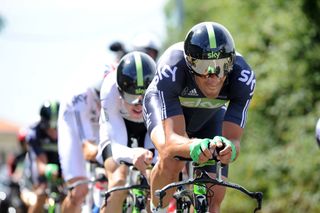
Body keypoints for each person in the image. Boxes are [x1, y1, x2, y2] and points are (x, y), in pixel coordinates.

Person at [143, 21, 256, 212]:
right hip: (168, 111)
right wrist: (193, 145)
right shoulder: (173, 66)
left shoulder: (243, 76)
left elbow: (234, 140)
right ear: (189, 64)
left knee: (214, 197)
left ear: (231, 63)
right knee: (171, 158)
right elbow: (172, 141)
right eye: (203, 67)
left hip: (210, 116)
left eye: (220, 66)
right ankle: (156, 209)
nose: (212, 76)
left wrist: (229, 149)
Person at [96, 51, 157, 213]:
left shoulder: (160, 89)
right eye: (131, 97)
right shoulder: (109, 89)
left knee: (154, 183)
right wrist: (133, 155)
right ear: (120, 91)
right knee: (118, 180)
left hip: (147, 128)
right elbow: (116, 146)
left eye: (143, 97)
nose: (138, 104)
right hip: (118, 126)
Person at [57, 73, 105, 213]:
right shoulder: (81, 98)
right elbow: (88, 149)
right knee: (79, 190)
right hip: (73, 130)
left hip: (96, 126)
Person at [23, 100, 61, 213]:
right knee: (41, 194)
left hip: (59, 163)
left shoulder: (67, 130)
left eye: (56, 128)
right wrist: (49, 171)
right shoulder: (34, 133)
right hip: (39, 165)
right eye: (50, 128)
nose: (53, 132)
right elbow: (40, 165)